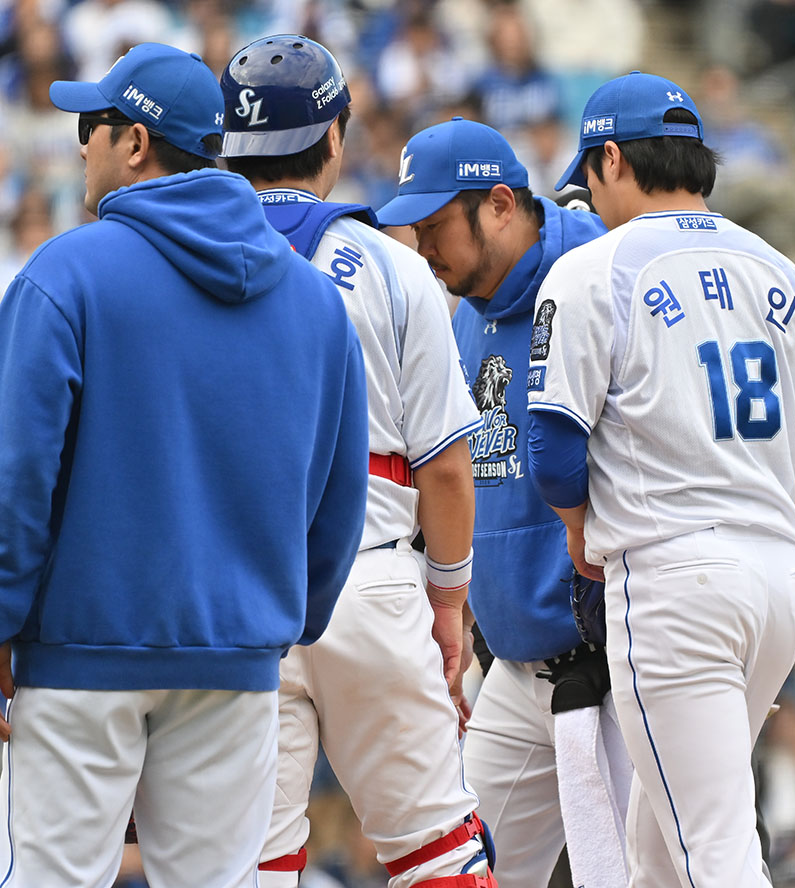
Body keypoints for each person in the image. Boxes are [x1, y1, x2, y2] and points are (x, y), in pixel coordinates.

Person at [0, 42, 369, 888]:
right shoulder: (314, 299)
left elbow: (16, 478)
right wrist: (277, 621)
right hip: (237, 657)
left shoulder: (67, 272)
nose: (79, 144)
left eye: (91, 126)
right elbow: (338, 499)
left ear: (134, 143)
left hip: (79, 652)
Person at [526, 71, 795, 887]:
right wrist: (749, 493)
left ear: (610, 157)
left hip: (673, 584)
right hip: (775, 584)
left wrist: (579, 532)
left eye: (592, 178)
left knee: (713, 849)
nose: (592, 197)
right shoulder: (784, 270)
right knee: (658, 844)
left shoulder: (593, 268)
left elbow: (550, 450)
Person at [219, 36, 495, 888]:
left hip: (231, 594)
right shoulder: (389, 264)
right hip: (370, 577)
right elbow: (446, 469)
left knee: (249, 859)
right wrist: (448, 605)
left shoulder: (179, 257)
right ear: (336, 135)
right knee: (435, 851)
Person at [375, 116, 627, 888]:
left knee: (662, 871)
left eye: (433, 225)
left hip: (624, 665)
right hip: (520, 670)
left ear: (498, 205)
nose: (421, 248)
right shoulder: (462, 314)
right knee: (460, 871)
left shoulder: (598, 269)